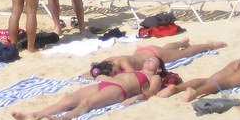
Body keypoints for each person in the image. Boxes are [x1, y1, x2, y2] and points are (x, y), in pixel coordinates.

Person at [12, 56, 166, 120]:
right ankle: (35, 115)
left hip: (120, 90)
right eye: (148, 58)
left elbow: (152, 92)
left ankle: (66, 118)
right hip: (108, 84)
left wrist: (137, 97)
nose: (148, 59)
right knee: (68, 99)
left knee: (88, 102)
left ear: (158, 68)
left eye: (153, 60)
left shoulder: (154, 77)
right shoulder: (135, 70)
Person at [88, 38, 227, 78]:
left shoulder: (123, 61)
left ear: (112, 66)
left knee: (186, 53)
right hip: (144, 52)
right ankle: (180, 42)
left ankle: (210, 45)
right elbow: (95, 70)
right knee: (167, 49)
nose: (117, 73)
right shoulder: (111, 61)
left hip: (155, 56)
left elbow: (134, 75)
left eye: (115, 72)